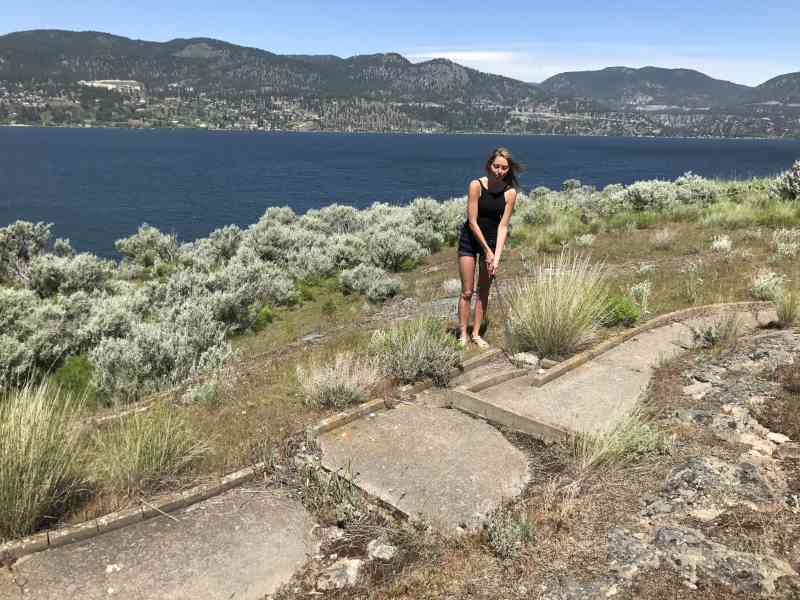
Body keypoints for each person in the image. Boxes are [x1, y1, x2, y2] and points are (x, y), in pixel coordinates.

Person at [456, 147, 524, 348]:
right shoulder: (476, 186)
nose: (499, 171)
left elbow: (503, 226)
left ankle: (476, 334)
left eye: (504, 168)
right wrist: (486, 251)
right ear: (489, 165)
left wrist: (496, 257)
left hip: (493, 243)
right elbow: (472, 221)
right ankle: (462, 334)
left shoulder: (510, 193)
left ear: (508, 170)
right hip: (470, 240)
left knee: (483, 290)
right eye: (496, 166)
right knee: (467, 291)